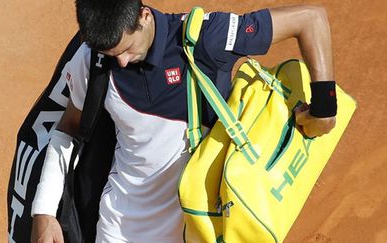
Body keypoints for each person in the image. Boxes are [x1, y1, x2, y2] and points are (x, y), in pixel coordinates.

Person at [31, 0, 337, 242]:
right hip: (118, 227)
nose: (120, 61)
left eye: (125, 49)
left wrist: (325, 107)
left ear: (144, 17)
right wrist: (43, 211)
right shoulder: (93, 60)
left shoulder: (206, 37)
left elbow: (310, 19)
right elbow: (69, 128)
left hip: (197, 229)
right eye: (110, 54)